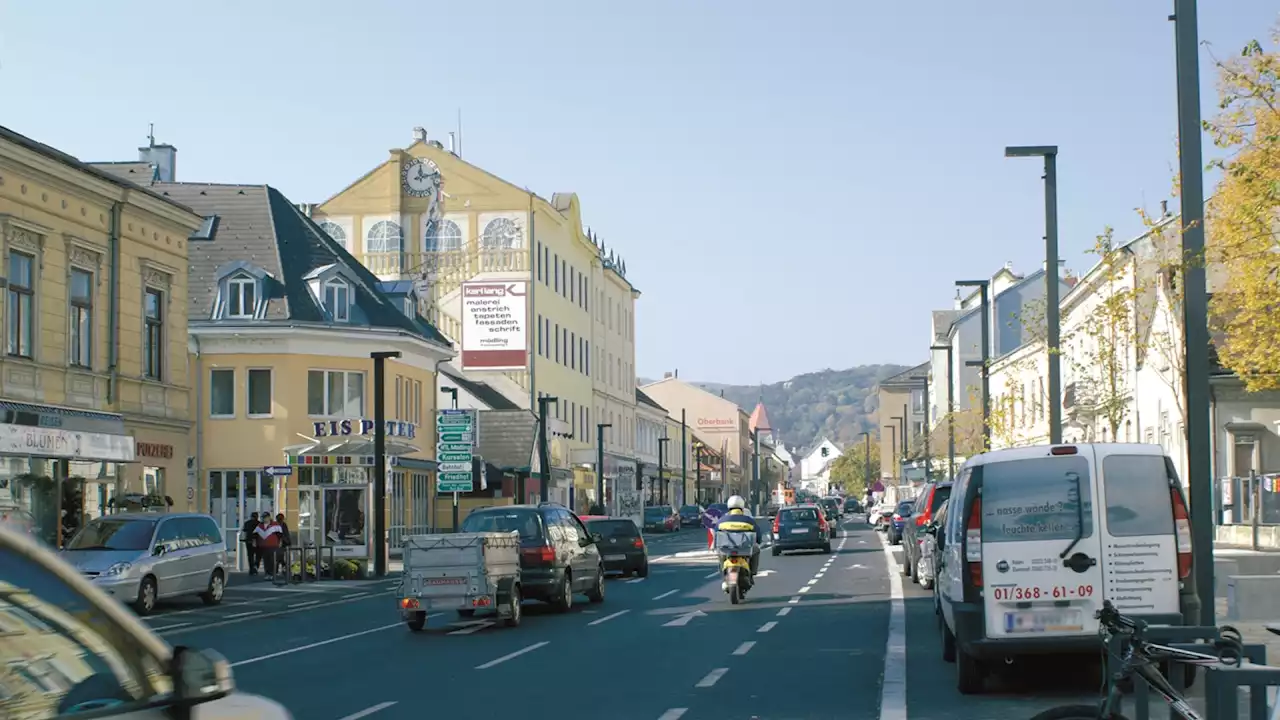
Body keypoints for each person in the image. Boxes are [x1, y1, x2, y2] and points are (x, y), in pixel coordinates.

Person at [713, 495, 761, 577]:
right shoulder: (748, 520)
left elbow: (716, 534)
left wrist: (715, 546)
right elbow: (758, 533)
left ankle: (722, 571)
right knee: (756, 550)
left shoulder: (722, 521)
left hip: (727, 549)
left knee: (720, 553)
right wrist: (758, 541)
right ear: (742, 507)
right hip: (744, 549)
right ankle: (753, 571)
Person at [255, 513, 284, 578]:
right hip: (263, 546)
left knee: (272, 560)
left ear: (269, 517)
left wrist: (280, 542)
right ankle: (267, 573)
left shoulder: (275, 525)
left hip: (273, 545)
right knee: (266, 560)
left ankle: (272, 574)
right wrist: (255, 542)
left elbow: (280, 535)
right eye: (263, 517)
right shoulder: (260, 525)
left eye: (265, 517)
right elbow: (255, 534)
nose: (264, 519)